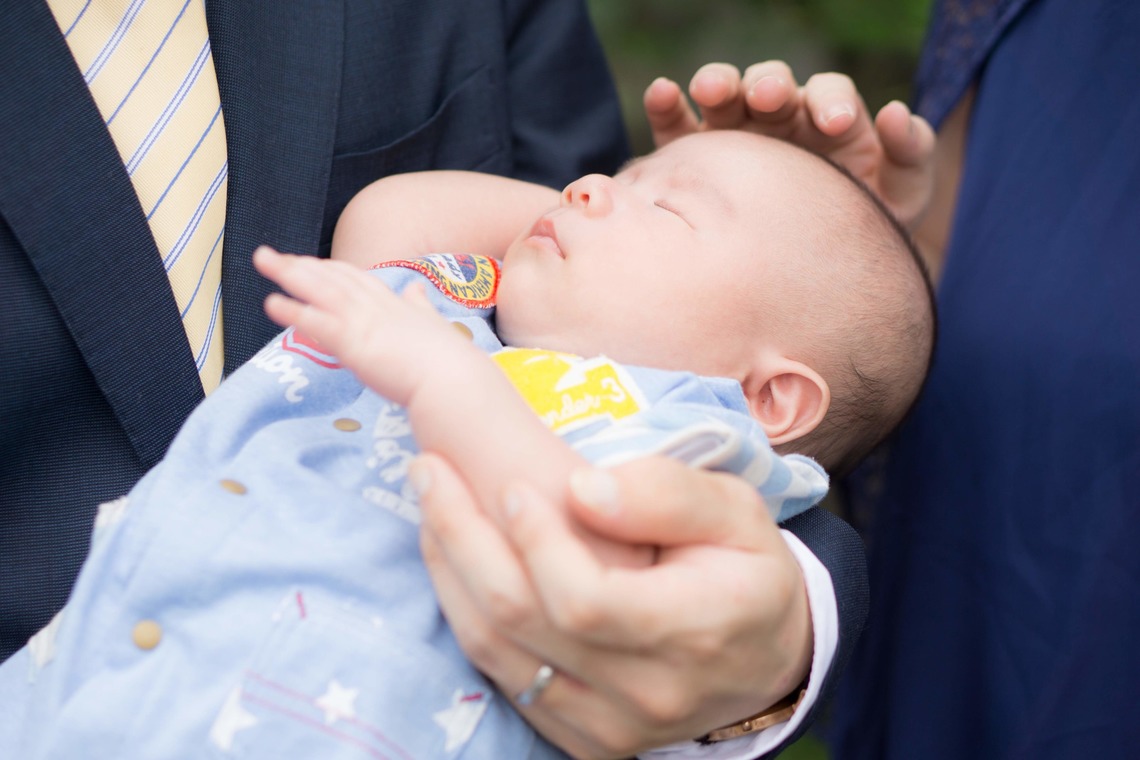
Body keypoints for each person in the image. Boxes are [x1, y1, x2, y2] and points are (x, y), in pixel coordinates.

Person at [1, 1, 870, 755]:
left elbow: (594, 551)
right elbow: (390, 218)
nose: (593, 184)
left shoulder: (683, 422)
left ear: (771, 399)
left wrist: (447, 380)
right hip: (84, 686)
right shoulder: (473, 324)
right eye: (626, 173)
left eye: (667, 207)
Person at [644, 0, 1140, 756]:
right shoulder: (1036, 24)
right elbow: (1002, 358)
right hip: (960, 665)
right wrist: (838, 265)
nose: (582, 187)